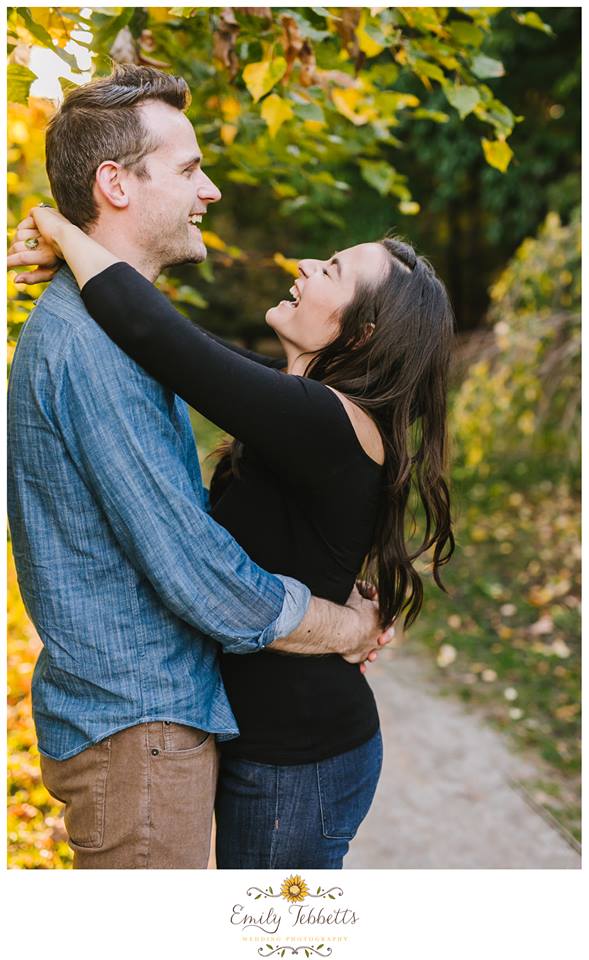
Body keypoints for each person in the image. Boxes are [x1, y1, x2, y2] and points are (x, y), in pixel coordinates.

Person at [6, 64, 395, 871]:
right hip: (136, 726)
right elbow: (199, 574)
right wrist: (343, 625)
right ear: (114, 184)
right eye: (188, 169)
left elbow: (174, 342)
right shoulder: (93, 345)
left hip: (155, 725)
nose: (209, 190)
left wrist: (58, 226)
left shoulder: (115, 330)